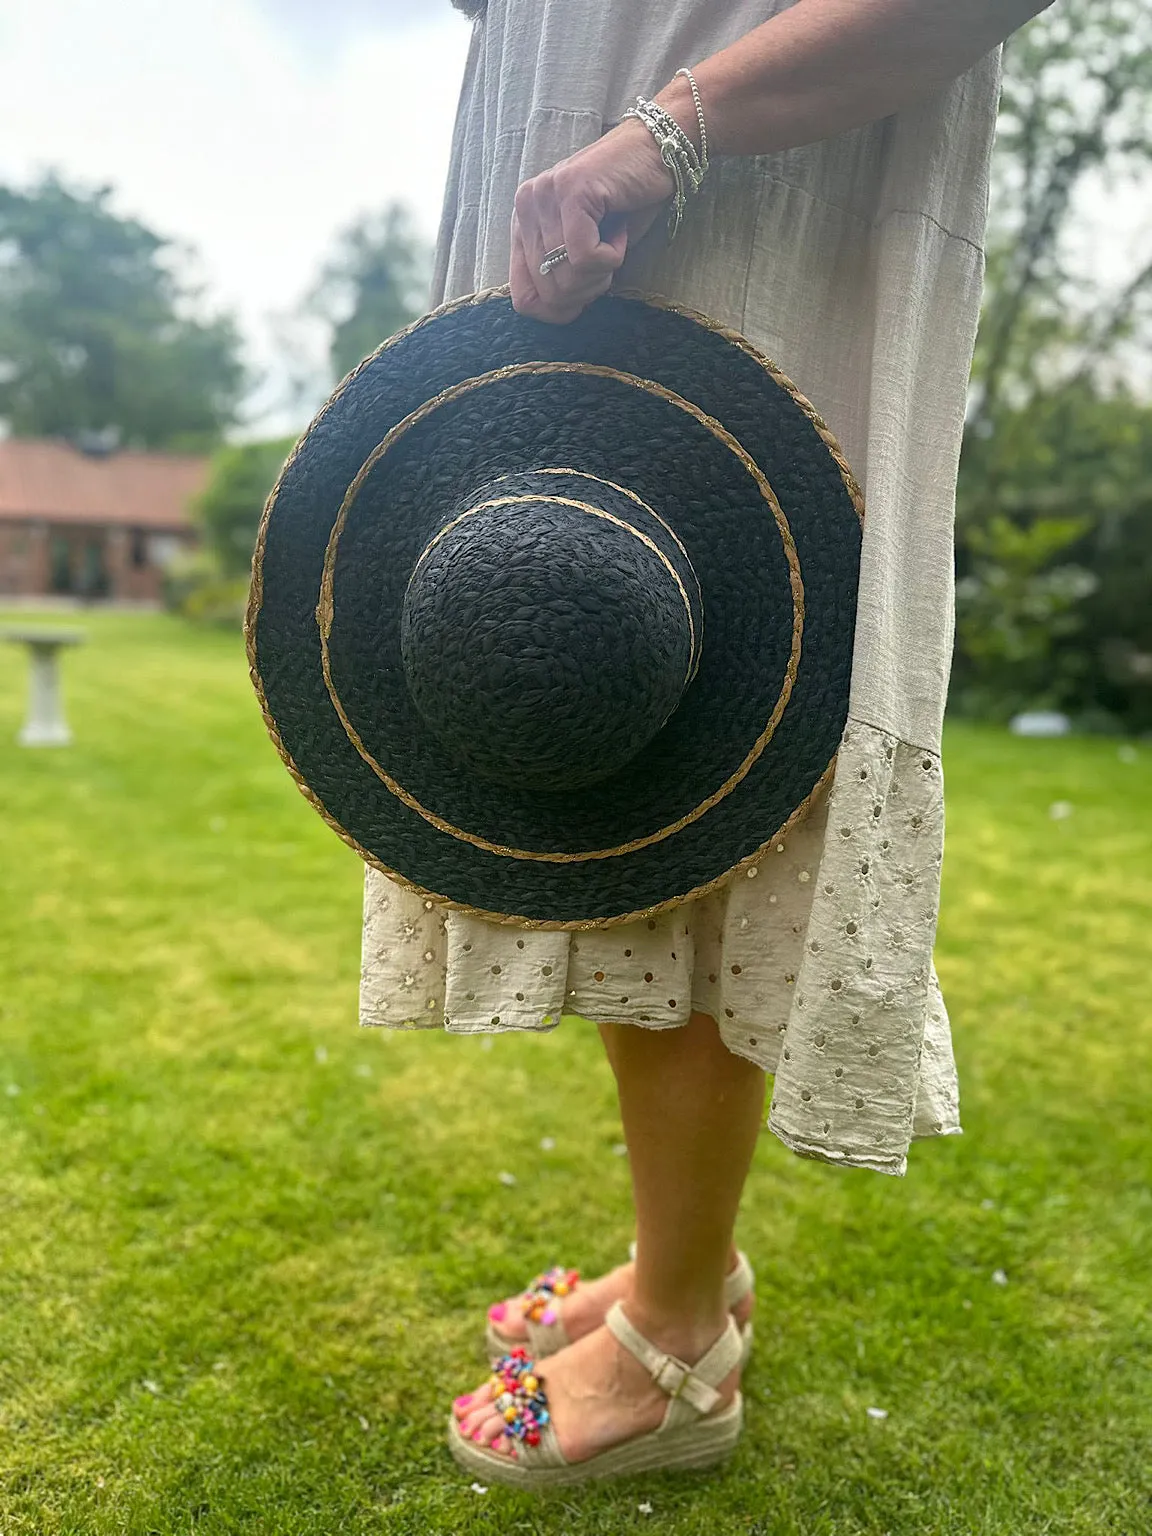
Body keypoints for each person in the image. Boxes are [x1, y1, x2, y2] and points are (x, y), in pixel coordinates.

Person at [358, 0, 1054, 1482]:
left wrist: (675, 126)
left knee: (707, 725)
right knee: (592, 718)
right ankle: (685, 1257)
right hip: (569, 158)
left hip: (756, 172)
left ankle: (677, 1346)